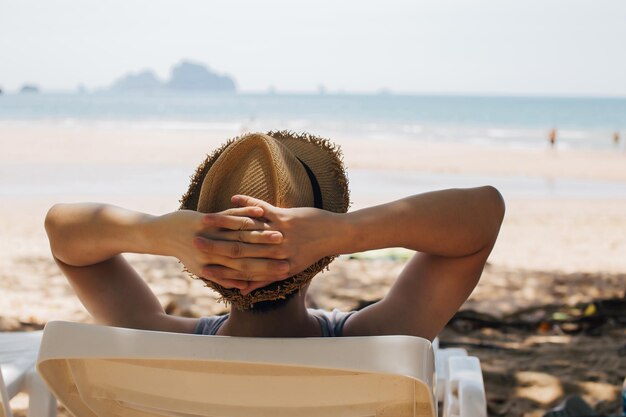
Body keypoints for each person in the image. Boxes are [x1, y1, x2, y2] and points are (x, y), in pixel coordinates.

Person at [44, 131, 505, 341]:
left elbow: (63, 233)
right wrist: (344, 233)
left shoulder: (156, 340)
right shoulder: (381, 338)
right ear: (320, 254)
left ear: (207, 270)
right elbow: (483, 214)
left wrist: (159, 233)